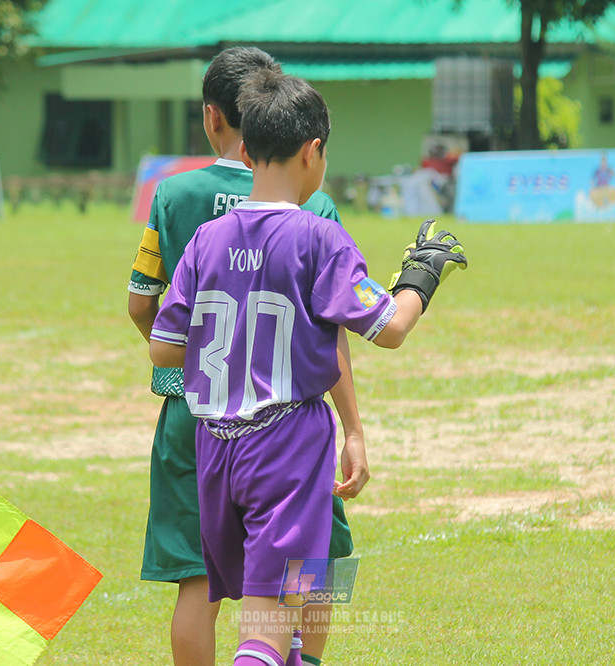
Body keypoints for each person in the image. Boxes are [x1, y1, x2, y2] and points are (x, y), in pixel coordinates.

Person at [148, 70, 466, 666]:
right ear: (314, 151)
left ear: (245, 148)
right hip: (287, 445)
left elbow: (162, 347)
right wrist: (423, 276)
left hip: (214, 447)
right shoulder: (321, 236)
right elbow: (388, 329)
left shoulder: (206, 240)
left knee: (272, 598)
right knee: (271, 620)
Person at [127, 46, 366, 666]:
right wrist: (355, 428)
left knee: (195, 575)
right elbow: (335, 332)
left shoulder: (175, 198)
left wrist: (199, 369)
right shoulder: (315, 211)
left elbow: (141, 307)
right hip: (287, 417)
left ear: (214, 118)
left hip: (196, 413)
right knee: (311, 557)